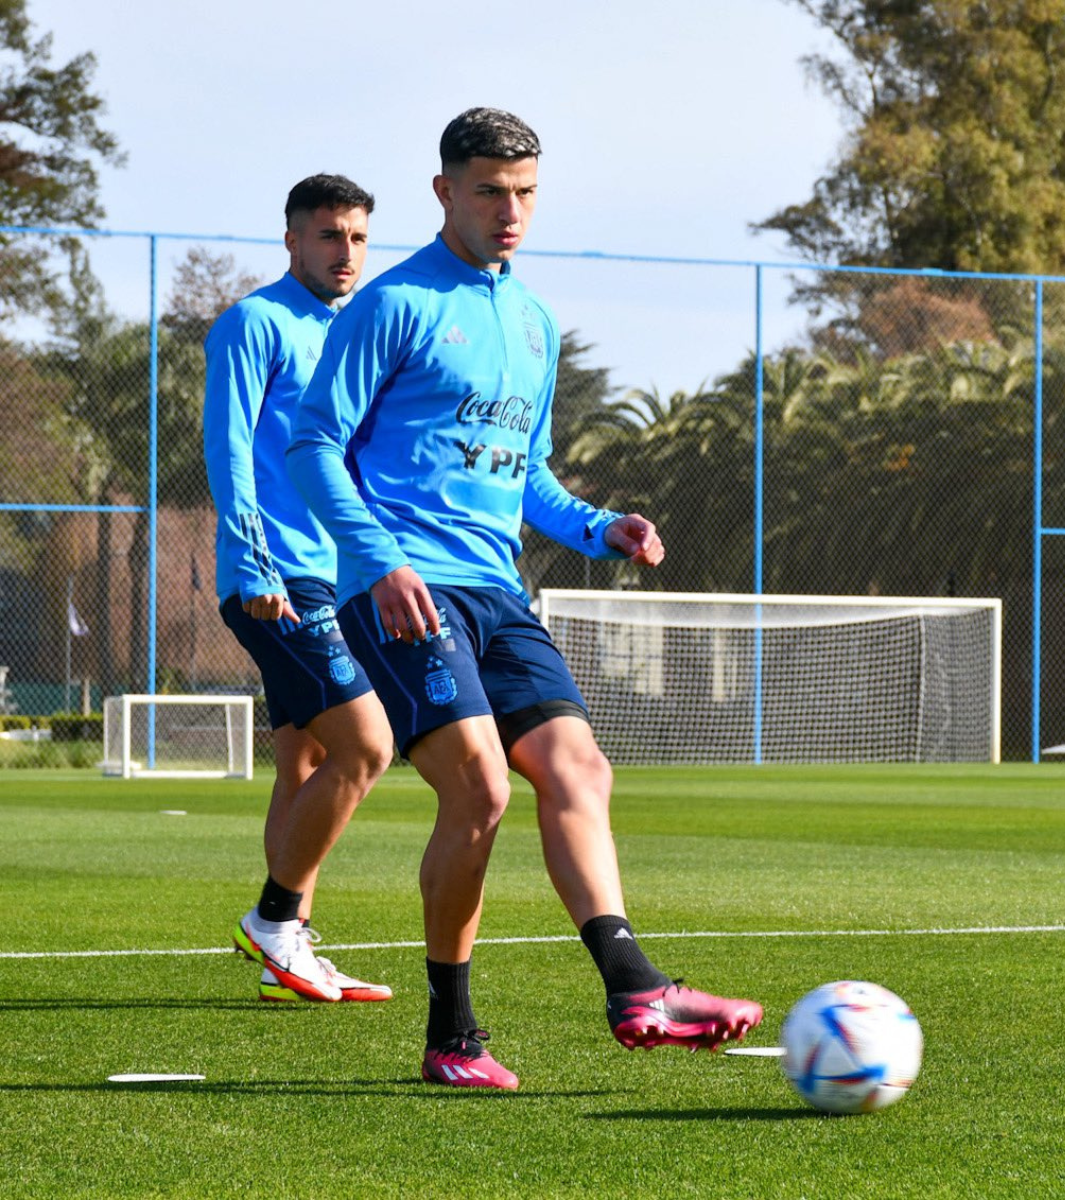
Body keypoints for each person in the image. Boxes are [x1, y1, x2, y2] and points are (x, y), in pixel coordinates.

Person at [287, 109, 762, 1090]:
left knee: (579, 769)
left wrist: (599, 528)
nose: (512, 211)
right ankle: (452, 1039)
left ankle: (636, 986)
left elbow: (528, 474)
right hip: (403, 590)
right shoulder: (394, 306)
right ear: (446, 192)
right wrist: (379, 562)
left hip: (499, 592)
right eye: (492, 190)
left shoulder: (535, 321)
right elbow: (311, 447)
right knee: (483, 790)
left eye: (527, 192)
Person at [203, 174, 396, 1005]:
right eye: (328, 236)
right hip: (278, 574)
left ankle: (292, 953)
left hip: (340, 574)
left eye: (356, 237)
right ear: (292, 240)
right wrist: (252, 562)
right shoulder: (256, 321)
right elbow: (230, 447)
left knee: (305, 760)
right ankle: (276, 918)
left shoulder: (359, 333)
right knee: (366, 745)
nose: (344, 252)